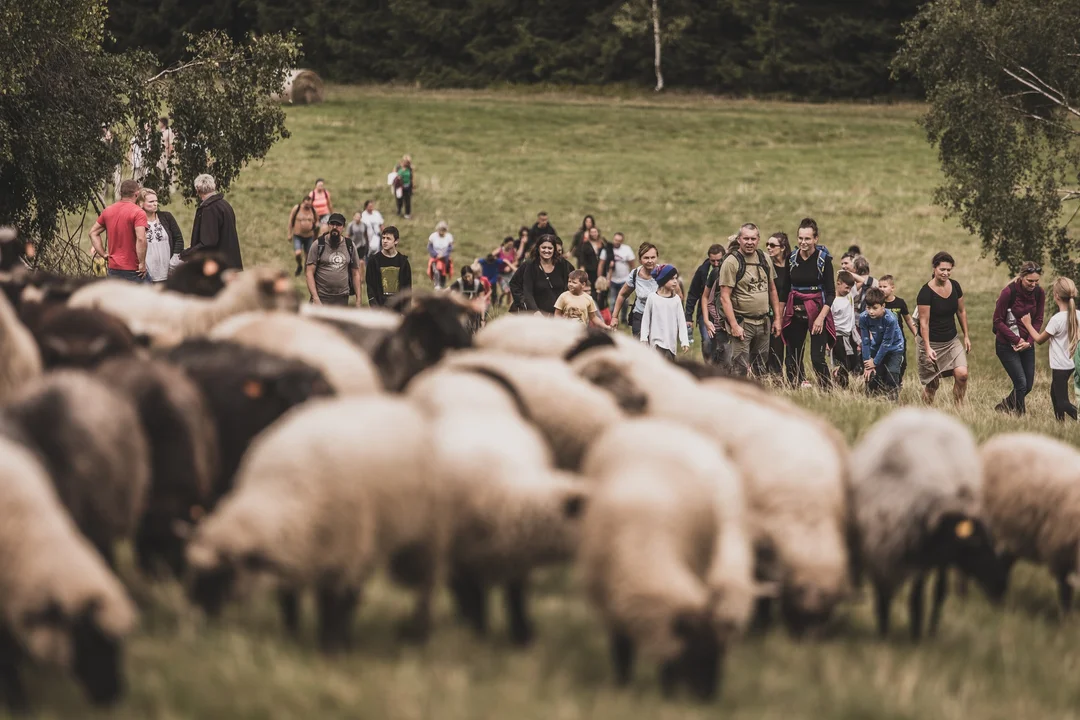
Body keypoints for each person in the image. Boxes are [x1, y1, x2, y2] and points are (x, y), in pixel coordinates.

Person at [715, 224, 782, 377]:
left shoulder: (765, 258)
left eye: (753, 238)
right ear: (739, 239)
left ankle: (757, 397)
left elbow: (772, 289)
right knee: (740, 368)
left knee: (761, 367)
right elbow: (725, 296)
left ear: (758, 240)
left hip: (763, 322)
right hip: (742, 323)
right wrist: (733, 325)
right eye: (746, 238)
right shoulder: (731, 262)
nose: (749, 242)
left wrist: (777, 319)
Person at [782, 218, 835, 388]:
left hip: (817, 312)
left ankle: (827, 391)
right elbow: (784, 290)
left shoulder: (824, 260)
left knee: (817, 358)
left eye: (807, 238)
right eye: (800, 238)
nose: (803, 242)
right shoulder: (791, 258)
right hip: (795, 312)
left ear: (815, 239)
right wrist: (780, 316)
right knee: (792, 356)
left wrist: (821, 318)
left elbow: (830, 293)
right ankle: (794, 388)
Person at [915, 251, 971, 406]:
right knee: (932, 384)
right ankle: (926, 413)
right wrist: (927, 348)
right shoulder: (925, 293)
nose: (946, 273)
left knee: (962, 375)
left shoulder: (956, 286)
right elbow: (924, 322)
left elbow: (961, 311)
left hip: (951, 340)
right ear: (934, 269)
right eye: (942, 269)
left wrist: (966, 336)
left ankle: (958, 407)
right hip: (930, 342)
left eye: (948, 269)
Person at [1022, 277, 1080, 421]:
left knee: (1062, 401)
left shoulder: (1057, 319)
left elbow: (1040, 340)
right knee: (1054, 394)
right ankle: (1059, 423)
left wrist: (1028, 324)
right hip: (1073, 362)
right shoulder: (1078, 314)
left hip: (1061, 365)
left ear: (1056, 296)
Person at [992, 261, 1045, 415]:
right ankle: (1020, 416)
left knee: (1028, 385)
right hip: (1006, 345)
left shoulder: (1039, 293)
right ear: (1022, 277)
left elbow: (1038, 320)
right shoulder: (1008, 293)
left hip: (1027, 345)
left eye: (1036, 281)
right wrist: (1017, 340)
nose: (1033, 284)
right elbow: (997, 321)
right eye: (1030, 281)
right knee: (1021, 384)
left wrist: (1028, 342)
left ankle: (1003, 407)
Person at [89, 179, 148, 282]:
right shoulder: (138, 212)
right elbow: (141, 239)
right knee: (149, 295)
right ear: (137, 194)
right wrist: (142, 263)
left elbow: (93, 233)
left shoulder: (108, 211)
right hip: (133, 269)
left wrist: (103, 254)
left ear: (121, 193)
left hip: (114, 268)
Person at [183, 174, 242, 270]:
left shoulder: (209, 209)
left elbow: (208, 241)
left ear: (198, 189)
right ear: (213, 186)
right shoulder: (225, 205)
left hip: (217, 265)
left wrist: (187, 253)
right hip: (230, 261)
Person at [306, 213, 362, 307]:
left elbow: (355, 273)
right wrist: (315, 298)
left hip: (342, 297)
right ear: (328, 225)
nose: (335, 227)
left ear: (343, 227)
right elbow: (309, 273)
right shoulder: (318, 245)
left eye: (338, 224)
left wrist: (358, 299)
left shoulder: (350, 245)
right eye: (332, 224)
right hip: (321, 297)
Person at [860, 287, 906, 399]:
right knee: (872, 376)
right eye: (868, 307)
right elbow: (865, 341)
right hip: (877, 346)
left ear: (883, 306)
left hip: (895, 348)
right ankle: (871, 401)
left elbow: (887, 343)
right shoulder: (863, 317)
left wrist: (874, 362)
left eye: (875, 308)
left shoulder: (890, 319)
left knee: (891, 374)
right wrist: (868, 364)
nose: (871, 311)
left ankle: (892, 401)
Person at [685, 244, 725, 363]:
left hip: (722, 311)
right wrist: (688, 317)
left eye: (719, 260)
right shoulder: (703, 270)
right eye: (713, 261)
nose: (716, 263)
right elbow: (693, 294)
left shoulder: (728, 268)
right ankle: (708, 365)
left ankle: (720, 368)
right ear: (709, 258)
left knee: (721, 343)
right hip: (705, 312)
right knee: (707, 341)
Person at [641, 264, 690, 360]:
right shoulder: (652, 298)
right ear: (663, 280)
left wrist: (684, 341)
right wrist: (644, 338)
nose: (675, 281)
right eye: (671, 279)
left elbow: (681, 322)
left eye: (676, 278)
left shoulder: (676, 300)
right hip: (656, 342)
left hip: (671, 344)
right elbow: (646, 320)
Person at [612, 242, 661, 338]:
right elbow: (622, 294)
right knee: (641, 348)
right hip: (640, 316)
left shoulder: (664, 273)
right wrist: (614, 317)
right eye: (646, 258)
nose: (650, 261)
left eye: (653, 257)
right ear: (640, 260)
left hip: (660, 317)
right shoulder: (635, 274)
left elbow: (677, 296)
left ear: (657, 257)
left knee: (657, 350)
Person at [136, 189, 183, 284]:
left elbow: (178, 239)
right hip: (147, 273)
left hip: (167, 271)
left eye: (156, 201)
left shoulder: (166, 217)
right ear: (141, 203)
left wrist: (174, 262)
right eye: (151, 201)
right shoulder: (137, 222)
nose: (155, 204)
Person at [880, 275, 918, 388]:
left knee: (902, 363)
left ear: (892, 288)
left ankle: (897, 383)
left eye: (884, 286)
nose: (881, 289)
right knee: (884, 362)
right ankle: (885, 385)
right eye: (880, 286)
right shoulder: (878, 303)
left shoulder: (900, 302)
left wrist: (916, 334)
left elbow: (908, 319)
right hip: (883, 339)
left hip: (898, 339)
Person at [520, 235, 569, 315]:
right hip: (538, 315)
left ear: (554, 250)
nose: (547, 250)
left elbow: (568, 286)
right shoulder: (531, 265)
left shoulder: (562, 264)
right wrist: (536, 311)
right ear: (538, 248)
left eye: (550, 248)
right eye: (543, 247)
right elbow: (527, 292)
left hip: (559, 315)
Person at [765, 231, 791, 376]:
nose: (769, 247)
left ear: (782, 248)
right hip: (771, 313)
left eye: (772, 245)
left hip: (790, 313)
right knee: (774, 346)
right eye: (767, 244)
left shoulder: (791, 265)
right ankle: (774, 376)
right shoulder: (767, 266)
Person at [366, 226, 412, 308]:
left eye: (388, 238)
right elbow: (370, 287)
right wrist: (375, 308)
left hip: (398, 309)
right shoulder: (374, 261)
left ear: (396, 241)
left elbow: (407, 288)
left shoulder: (403, 262)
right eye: (383, 238)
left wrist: (406, 310)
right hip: (380, 309)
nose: (384, 241)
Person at [832, 270, 861, 388]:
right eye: (846, 287)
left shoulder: (849, 294)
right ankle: (843, 387)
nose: (848, 290)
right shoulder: (832, 301)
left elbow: (862, 281)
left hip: (850, 335)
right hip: (838, 336)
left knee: (854, 362)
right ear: (838, 283)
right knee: (843, 363)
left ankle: (836, 374)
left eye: (850, 288)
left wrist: (846, 272)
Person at [603, 232, 636, 326]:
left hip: (624, 280)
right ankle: (612, 319)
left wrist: (633, 277)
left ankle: (623, 318)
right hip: (612, 280)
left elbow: (632, 264)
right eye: (615, 240)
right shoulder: (608, 249)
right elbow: (602, 263)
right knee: (613, 301)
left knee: (625, 301)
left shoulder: (627, 249)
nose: (617, 242)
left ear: (622, 241)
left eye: (619, 241)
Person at [287, 195, 318, 276]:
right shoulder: (297, 209)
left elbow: (317, 221)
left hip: (309, 236)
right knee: (298, 253)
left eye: (309, 204)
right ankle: (299, 265)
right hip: (298, 236)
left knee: (308, 256)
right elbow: (290, 220)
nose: (307, 206)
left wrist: (316, 231)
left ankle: (306, 270)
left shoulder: (313, 210)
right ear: (303, 202)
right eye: (306, 204)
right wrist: (289, 233)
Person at [580, 226, 609, 309]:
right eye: (592, 232)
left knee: (603, 289)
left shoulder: (602, 243)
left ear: (598, 233)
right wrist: (582, 269)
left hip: (601, 271)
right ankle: (593, 307)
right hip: (590, 271)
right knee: (592, 290)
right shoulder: (585, 244)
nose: (593, 234)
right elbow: (582, 257)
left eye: (595, 232)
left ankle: (603, 308)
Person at [451, 266, 486, 333]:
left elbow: (482, 301)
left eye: (469, 276)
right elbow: (449, 291)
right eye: (465, 277)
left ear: (472, 274)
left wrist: (482, 319)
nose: (467, 279)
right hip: (461, 313)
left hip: (474, 313)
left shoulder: (478, 284)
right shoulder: (459, 282)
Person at [427, 221, 454, 289]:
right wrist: (436, 255)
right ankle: (437, 285)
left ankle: (442, 285)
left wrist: (444, 255)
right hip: (435, 258)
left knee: (443, 272)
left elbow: (450, 248)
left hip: (444, 259)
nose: (442, 231)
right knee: (436, 271)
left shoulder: (449, 237)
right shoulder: (433, 236)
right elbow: (429, 247)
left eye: (443, 230)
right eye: (440, 229)